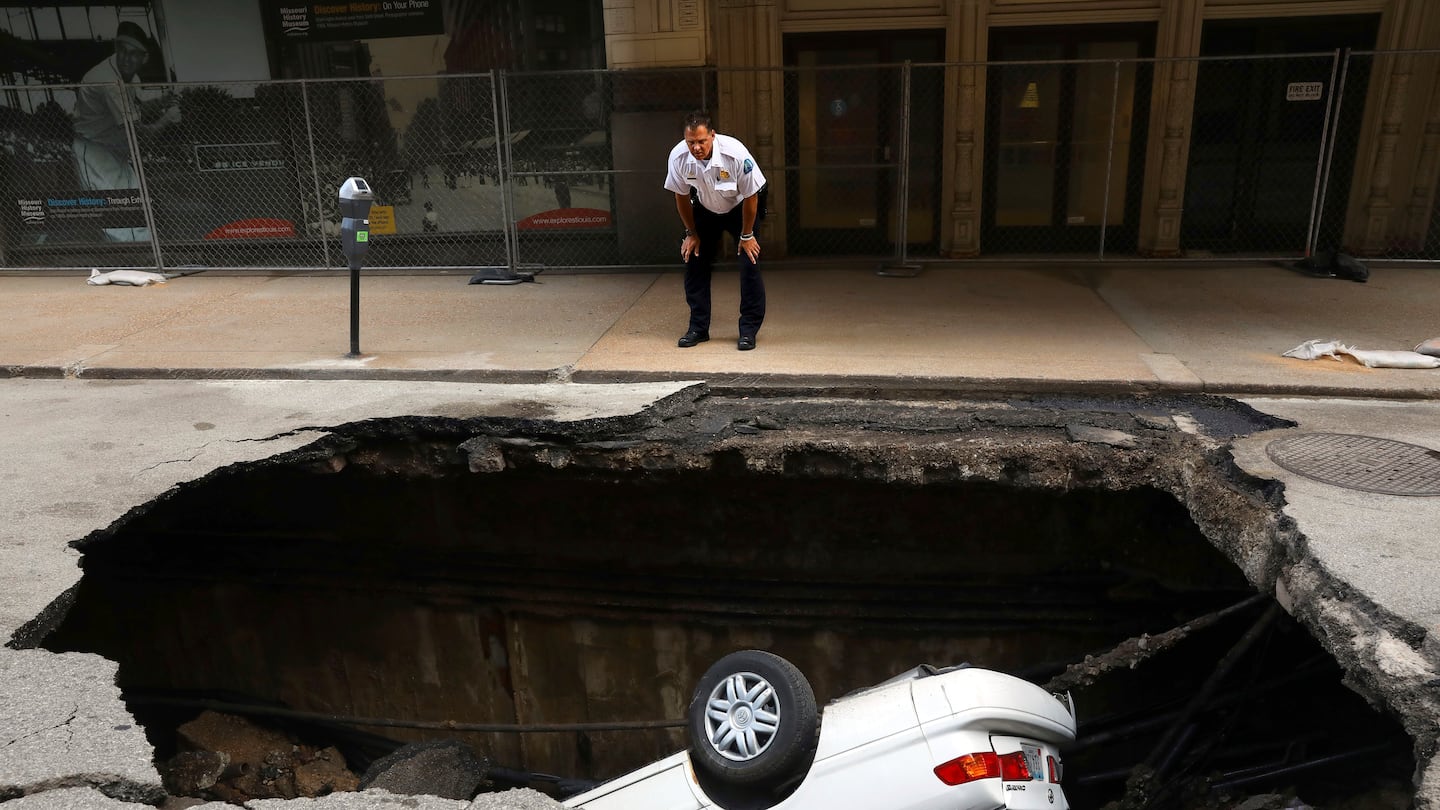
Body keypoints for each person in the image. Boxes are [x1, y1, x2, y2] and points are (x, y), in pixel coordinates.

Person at [664, 111, 768, 351]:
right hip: (705, 207)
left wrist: (747, 235)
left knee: (748, 263)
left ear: (712, 135)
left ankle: (748, 331)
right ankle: (698, 328)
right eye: (691, 142)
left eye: (701, 141)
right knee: (694, 261)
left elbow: (752, 195)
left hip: (741, 207)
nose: (696, 147)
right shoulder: (678, 157)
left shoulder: (735, 154)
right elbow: (680, 196)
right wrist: (691, 233)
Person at [71, 21, 180, 242]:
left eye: (133, 53)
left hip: (114, 150)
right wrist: (167, 119)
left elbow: (135, 109)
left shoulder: (129, 76)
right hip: (94, 152)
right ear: (116, 49)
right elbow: (139, 135)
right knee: (118, 217)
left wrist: (161, 100)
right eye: (122, 51)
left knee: (137, 206)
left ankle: (146, 257)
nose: (126, 58)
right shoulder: (110, 81)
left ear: (144, 58)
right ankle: (128, 263)